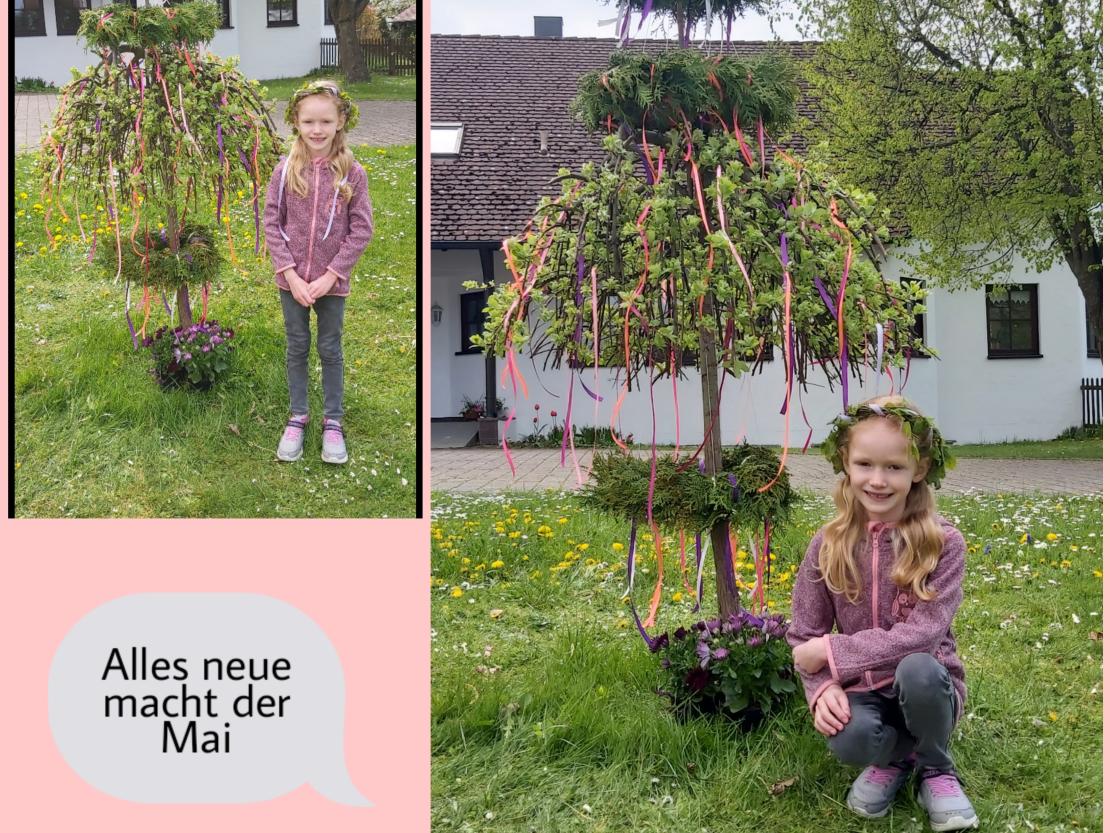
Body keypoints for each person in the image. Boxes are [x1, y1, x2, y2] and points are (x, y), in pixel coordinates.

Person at [787, 396, 977, 831]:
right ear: (845, 463)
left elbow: (923, 635)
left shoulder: (942, 544)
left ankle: (935, 768)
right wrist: (821, 687)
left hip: (927, 684)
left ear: (920, 469)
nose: (877, 480)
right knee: (849, 737)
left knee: (918, 671)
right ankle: (895, 758)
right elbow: (803, 637)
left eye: (894, 467)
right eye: (864, 464)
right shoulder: (828, 545)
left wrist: (833, 651)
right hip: (864, 690)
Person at [263, 80, 373, 464]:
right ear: (295, 121)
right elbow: (271, 223)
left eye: (326, 120)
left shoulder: (352, 173)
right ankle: (298, 415)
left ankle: (333, 422)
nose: (317, 129)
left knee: (330, 348)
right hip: (290, 282)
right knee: (297, 345)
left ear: (341, 120)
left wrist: (331, 275)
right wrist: (290, 275)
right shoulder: (284, 170)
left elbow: (362, 229)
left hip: (331, 284)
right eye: (309, 120)